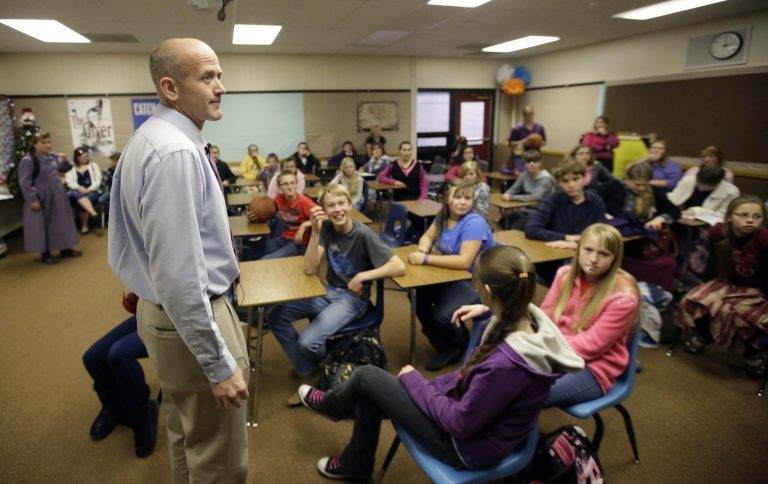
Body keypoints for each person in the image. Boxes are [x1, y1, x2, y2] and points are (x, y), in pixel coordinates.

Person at [296, 245, 584, 481]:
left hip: (466, 447)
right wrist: (488, 311)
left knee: (367, 377)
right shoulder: (525, 320)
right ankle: (355, 462)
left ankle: (334, 407)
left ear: (487, 290)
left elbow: (460, 424)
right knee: (370, 391)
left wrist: (414, 382)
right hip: (472, 418)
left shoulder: (508, 365)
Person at [108, 38, 249, 483]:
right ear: (170, 88)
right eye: (207, 77)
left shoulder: (148, 138)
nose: (221, 86)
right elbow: (180, 276)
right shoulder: (176, 152)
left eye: (219, 75)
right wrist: (217, 364)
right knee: (220, 459)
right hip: (192, 315)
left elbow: (134, 241)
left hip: (162, 314)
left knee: (188, 435)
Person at [267, 184, 405, 390]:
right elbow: (309, 269)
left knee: (307, 342)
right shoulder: (326, 228)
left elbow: (398, 265)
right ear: (324, 210)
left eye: (341, 203)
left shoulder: (363, 234)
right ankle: (310, 369)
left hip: (352, 298)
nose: (337, 209)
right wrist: (315, 232)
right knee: (274, 315)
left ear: (350, 205)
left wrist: (363, 275)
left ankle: (323, 362)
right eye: (331, 205)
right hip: (328, 291)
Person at [541, 223, 640, 407]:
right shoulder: (564, 274)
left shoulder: (624, 298)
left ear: (615, 258)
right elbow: (545, 316)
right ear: (578, 249)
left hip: (594, 368)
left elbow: (591, 346)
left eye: (604, 254)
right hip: (556, 352)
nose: (593, 259)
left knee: (528, 395)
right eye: (588, 250)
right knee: (506, 380)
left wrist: (546, 351)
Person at [676, 197, 767, 378]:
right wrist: (708, 285)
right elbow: (712, 263)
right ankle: (704, 334)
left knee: (735, 313)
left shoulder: (764, 239)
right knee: (697, 300)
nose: (750, 220)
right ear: (730, 217)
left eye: (757, 216)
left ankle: (752, 352)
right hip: (727, 282)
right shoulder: (719, 232)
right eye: (743, 215)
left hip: (757, 289)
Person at [408, 184, 495, 370]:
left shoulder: (475, 222)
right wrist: (424, 246)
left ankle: (459, 343)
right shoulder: (443, 216)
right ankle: (443, 344)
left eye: (467, 198)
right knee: (418, 298)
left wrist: (425, 259)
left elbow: (464, 261)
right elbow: (427, 237)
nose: (462, 202)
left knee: (443, 315)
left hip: (476, 280)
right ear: (448, 199)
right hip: (451, 275)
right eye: (458, 197)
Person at [82, 291, 159, 458]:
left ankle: (141, 415)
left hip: (175, 322)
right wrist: (131, 297)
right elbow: (134, 307)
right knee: (92, 358)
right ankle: (116, 409)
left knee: (119, 355)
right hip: (149, 314)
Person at [525, 159, 607, 285]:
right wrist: (566, 238)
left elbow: (604, 234)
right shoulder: (552, 200)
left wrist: (578, 244)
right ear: (559, 183)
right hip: (553, 260)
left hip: (586, 256)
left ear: (584, 178)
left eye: (575, 179)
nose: (571, 185)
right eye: (565, 181)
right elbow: (531, 229)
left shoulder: (596, 201)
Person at [19, 131, 81, 265]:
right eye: (43, 142)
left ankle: (65, 248)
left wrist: (65, 161)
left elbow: (65, 168)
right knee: (43, 224)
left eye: (49, 142)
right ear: (35, 145)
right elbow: (24, 182)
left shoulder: (53, 156)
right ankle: (45, 253)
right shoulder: (29, 160)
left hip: (58, 195)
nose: (48, 145)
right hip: (42, 196)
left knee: (62, 221)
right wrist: (33, 199)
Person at [252, 171, 317, 259]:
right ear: (280, 187)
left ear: (296, 184)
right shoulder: (279, 198)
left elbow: (325, 217)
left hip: (298, 243)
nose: (290, 187)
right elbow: (267, 210)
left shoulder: (304, 202)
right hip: (284, 238)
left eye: (292, 183)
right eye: (285, 184)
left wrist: (304, 225)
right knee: (257, 251)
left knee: (265, 260)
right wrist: (253, 214)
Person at [501, 149, 555, 229]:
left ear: (540, 162)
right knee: (503, 221)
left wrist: (511, 197)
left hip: (540, 212)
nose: (531, 164)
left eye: (535, 161)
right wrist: (507, 194)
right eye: (528, 162)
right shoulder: (525, 174)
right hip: (525, 210)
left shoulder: (546, 179)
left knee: (515, 227)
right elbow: (513, 189)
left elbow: (536, 197)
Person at [667, 166, 740, 218]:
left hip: (707, 225)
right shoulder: (688, 180)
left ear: (717, 183)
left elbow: (724, 215)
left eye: (706, 186)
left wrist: (698, 211)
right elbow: (672, 198)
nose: (701, 189)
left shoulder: (731, 192)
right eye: (698, 184)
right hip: (681, 217)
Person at [65, 146, 102, 234]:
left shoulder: (93, 166)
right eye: (84, 156)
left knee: (81, 202)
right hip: (77, 191)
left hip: (92, 191)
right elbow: (69, 181)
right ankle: (93, 213)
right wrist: (79, 187)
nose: (87, 158)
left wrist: (89, 189)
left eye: (87, 156)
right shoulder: (72, 168)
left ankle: (84, 226)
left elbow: (98, 180)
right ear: (78, 158)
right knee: (76, 194)